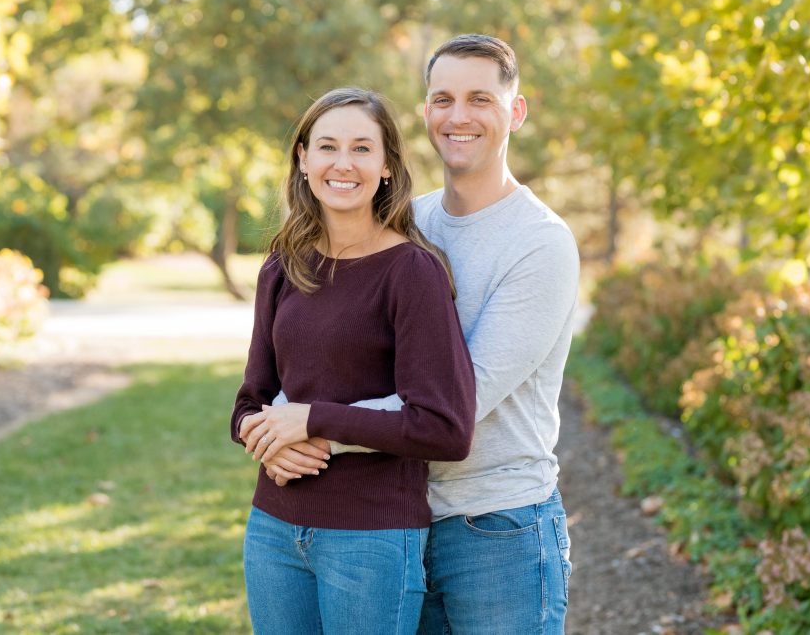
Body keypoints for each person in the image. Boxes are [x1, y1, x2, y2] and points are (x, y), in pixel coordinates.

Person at [265, 35, 580, 633]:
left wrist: (311, 429)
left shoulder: (540, 243)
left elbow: (458, 405)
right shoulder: (410, 224)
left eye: (480, 99)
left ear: (515, 112)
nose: (459, 116)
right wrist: (282, 420)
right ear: (426, 112)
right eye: (443, 99)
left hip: (495, 527)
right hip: (395, 518)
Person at [231, 87, 477, 635]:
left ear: (387, 165)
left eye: (362, 149)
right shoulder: (282, 264)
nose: (343, 164)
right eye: (327, 147)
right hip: (274, 529)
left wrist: (312, 420)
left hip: (371, 539)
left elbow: (445, 428)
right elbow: (249, 400)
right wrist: (261, 436)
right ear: (303, 158)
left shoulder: (412, 272)